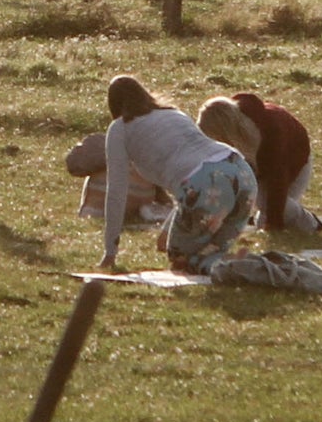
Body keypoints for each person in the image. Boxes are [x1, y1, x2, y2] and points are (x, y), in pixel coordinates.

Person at [70, 74, 264, 274]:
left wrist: (110, 251)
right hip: (241, 171)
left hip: (206, 182)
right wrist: (167, 231)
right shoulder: (174, 113)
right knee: (208, 250)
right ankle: (243, 264)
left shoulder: (119, 129)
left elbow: (116, 192)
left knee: (181, 260)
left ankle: (235, 266)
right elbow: (189, 177)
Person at [205, 89, 321, 236]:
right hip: (263, 169)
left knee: (269, 205)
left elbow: (278, 179)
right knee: (263, 214)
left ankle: (313, 225)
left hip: (295, 162)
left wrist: (273, 223)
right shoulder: (237, 132)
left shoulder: (271, 131)